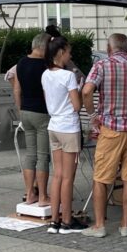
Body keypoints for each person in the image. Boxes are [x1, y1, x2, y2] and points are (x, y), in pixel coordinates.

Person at [80, 33, 127, 238]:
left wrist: (93, 117)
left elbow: (87, 91)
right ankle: (125, 225)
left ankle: (100, 226)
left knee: (101, 178)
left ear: (110, 48)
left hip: (110, 129)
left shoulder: (102, 65)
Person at [42, 35, 88, 234]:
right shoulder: (68, 76)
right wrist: (77, 88)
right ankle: (67, 220)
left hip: (53, 125)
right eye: (69, 52)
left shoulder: (45, 74)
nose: (70, 55)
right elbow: (77, 106)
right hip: (69, 127)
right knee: (69, 177)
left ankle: (55, 220)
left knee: (58, 175)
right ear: (61, 52)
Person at [15, 33, 52, 206]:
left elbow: (17, 90)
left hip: (26, 111)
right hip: (42, 113)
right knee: (43, 156)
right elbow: (48, 93)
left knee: (30, 155)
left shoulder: (21, 62)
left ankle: (29, 194)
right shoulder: (45, 65)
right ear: (44, 47)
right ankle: (43, 196)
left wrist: (20, 110)